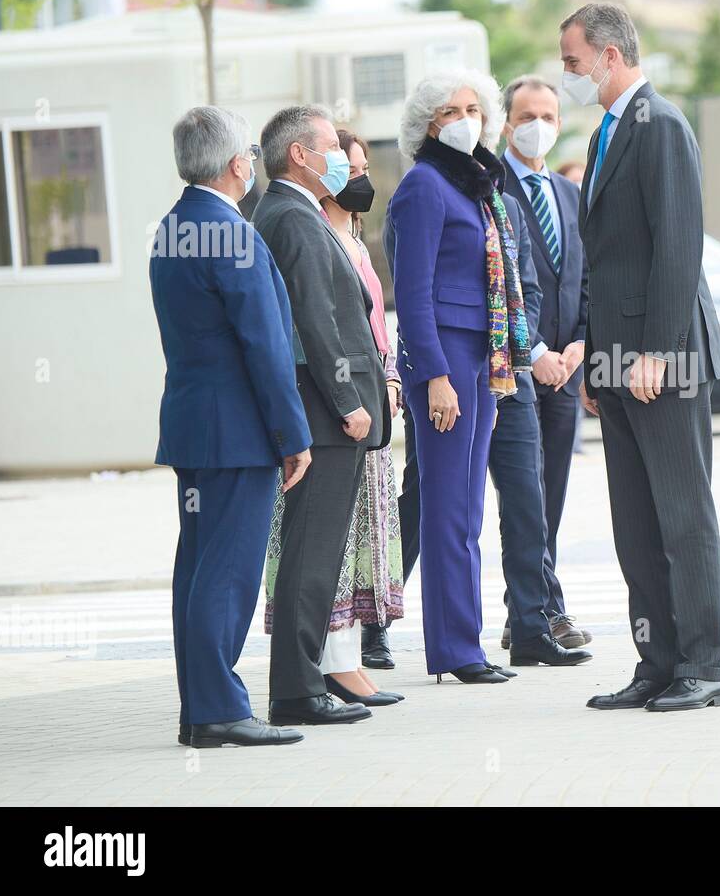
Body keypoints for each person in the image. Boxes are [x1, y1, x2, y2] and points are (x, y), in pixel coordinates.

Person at [560, 2, 720, 712]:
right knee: (635, 522)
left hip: (664, 359)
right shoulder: (607, 131)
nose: (567, 74)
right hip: (616, 363)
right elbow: (604, 260)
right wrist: (598, 359)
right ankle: (656, 661)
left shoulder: (658, 126)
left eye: (572, 61)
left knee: (681, 516)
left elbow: (678, 245)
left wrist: (655, 353)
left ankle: (703, 665)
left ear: (609, 55)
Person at [150, 106, 310, 748]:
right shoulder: (234, 232)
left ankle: (202, 707)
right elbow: (264, 344)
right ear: (238, 163)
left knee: (196, 566)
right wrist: (292, 433)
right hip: (238, 430)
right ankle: (218, 709)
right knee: (228, 571)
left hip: (193, 423)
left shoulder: (172, 228)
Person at [387, 69, 539, 684]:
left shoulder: (478, 186)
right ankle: (455, 650)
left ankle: (466, 643)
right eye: (451, 111)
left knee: (469, 507)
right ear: (429, 125)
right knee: (448, 508)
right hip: (447, 357)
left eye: (474, 108)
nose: (466, 118)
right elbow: (413, 294)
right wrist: (434, 376)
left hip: (483, 358)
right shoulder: (424, 186)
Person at [253, 105, 390, 726]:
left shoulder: (293, 212)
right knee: (312, 553)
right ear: (300, 156)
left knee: (320, 551)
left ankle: (302, 683)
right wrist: (349, 404)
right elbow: (316, 320)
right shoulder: (291, 216)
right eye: (332, 146)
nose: (342, 157)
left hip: (327, 410)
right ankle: (297, 692)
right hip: (328, 411)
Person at [499, 74, 593, 652]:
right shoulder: (491, 188)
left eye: (551, 117)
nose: (540, 127)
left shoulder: (568, 194)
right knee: (523, 499)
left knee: (549, 496)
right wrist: (534, 352)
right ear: (507, 122)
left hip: (568, 368)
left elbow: (584, 278)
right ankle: (542, 610)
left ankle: (531, 609)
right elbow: (503, 286)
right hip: (516, 370)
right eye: (528, 115)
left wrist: (581, 343)